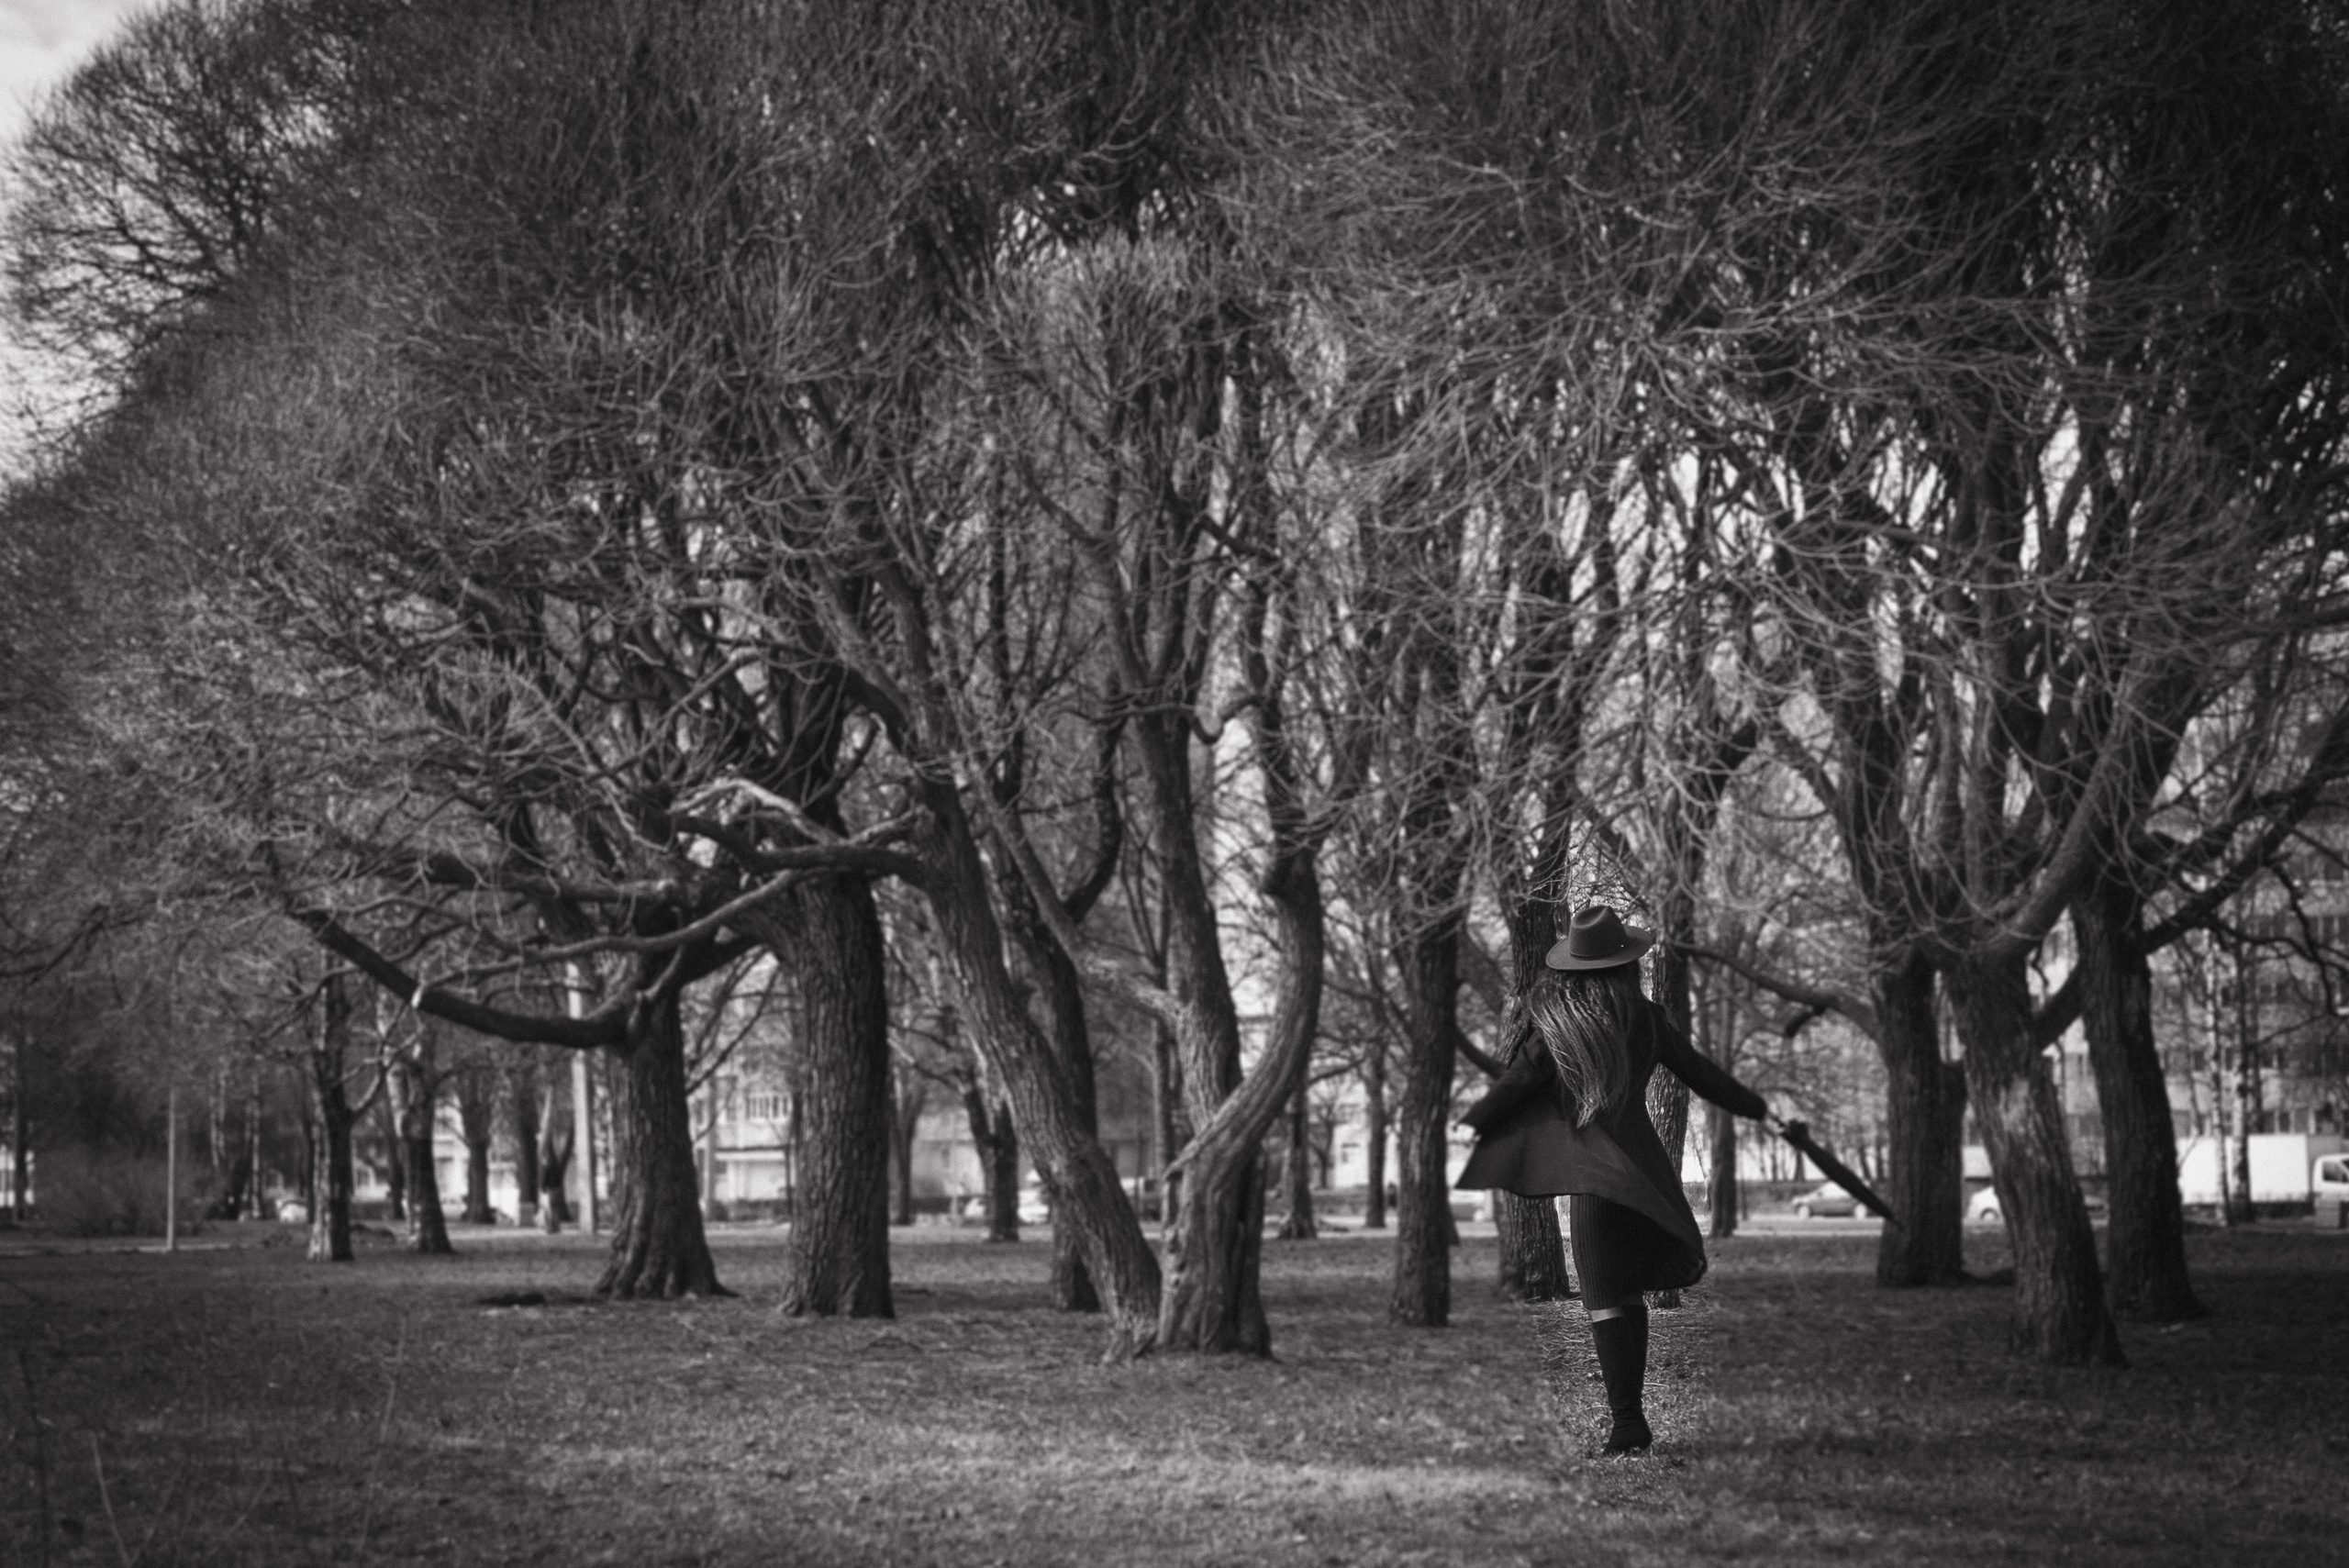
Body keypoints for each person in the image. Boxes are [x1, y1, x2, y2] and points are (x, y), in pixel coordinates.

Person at [1455, 904, 1775, 1457]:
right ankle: (1633, 1422)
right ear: (1625, 963)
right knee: (1631, 1299)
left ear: (1572, 967)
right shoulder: (1645, 1018)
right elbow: (1704, 1074)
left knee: (1606, 1300)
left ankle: (1628, 1423)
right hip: (1646, 1173)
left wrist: (1473, 1123)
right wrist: (1759, 1109)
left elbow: (1518, 1084)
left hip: (1596, 1177)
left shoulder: (1560, 1027)